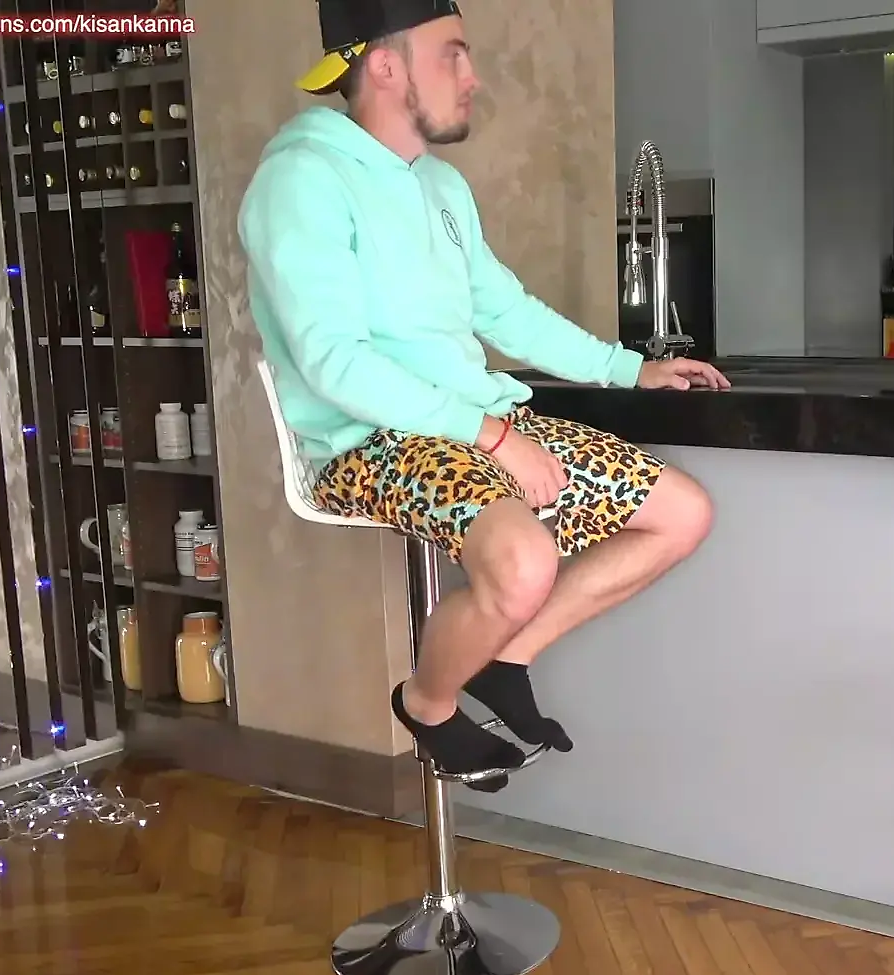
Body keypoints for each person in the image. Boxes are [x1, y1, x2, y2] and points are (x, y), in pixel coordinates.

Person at [239, 0, 730, 790]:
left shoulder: (440, 185)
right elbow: (335, 364)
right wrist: (497, 439)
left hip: (472, 424)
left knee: (683, 513)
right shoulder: (301, 181)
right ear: (384, 64)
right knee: (524, 562)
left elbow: (504, 311)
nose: (472, 76)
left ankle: (506, 658)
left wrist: (626, 367)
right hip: (367, 439)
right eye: (453, 54)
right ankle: (428, 704)